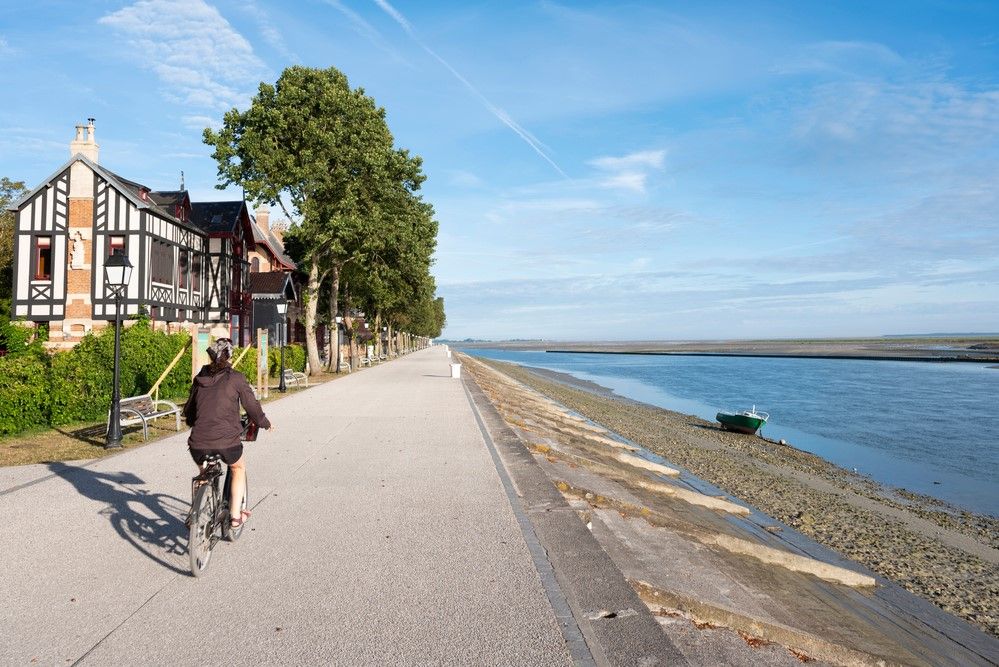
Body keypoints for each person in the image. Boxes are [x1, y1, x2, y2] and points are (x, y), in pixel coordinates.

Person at [183, 338, 272, 528]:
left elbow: (190, 408)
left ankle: (196, 512)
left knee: (203, 472)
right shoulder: (236, 378)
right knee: (237, 468)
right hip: (227, 442)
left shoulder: (200, 378)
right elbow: (251, 406)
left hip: (198, 442)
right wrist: (264, 422)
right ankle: (235, 517)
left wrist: (193, 423)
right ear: (229, 356)